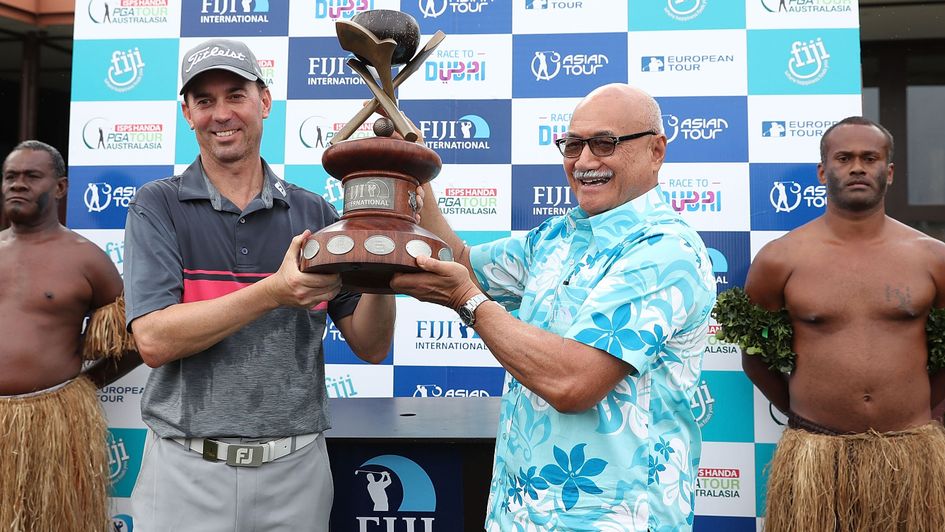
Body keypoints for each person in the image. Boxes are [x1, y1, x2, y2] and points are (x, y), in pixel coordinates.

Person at [390, 83, 716, 531]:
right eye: (574, 145)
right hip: (519, 515)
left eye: (605, 144)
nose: (584, 162)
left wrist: (467, 302)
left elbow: (573, 382)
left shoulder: (664, 250)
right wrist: (413, 173)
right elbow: (461, 263)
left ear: (656, 150)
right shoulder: (556, 236)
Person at [123, 38, 395, 530]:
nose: (221, 113)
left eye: (235, 95)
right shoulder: (156, 205)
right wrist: (273, 292)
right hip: (186, 469)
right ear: (187, 112)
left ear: (264, 102)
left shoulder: (315, 212)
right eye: (204, 101)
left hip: (296, 471)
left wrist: (383, 256)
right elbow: (155, 340)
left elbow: (372, 344)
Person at [740, 117, 945, 531]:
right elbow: (755, 359)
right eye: (844, 157)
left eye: (870, 158)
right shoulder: (781, 258)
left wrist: (915, 410)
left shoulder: (932, 258)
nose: (857, 167)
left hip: (912, 455)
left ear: (888, 172)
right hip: (814, 454)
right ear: (822, 171)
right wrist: (806, 413)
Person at [0, 140, 141, 532]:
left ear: (60, 187)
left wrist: (84, 384)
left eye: (31, 177)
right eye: (11, 177)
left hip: (54, 422)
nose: (18, 185)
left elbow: (135, 340)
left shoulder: (86, 258)